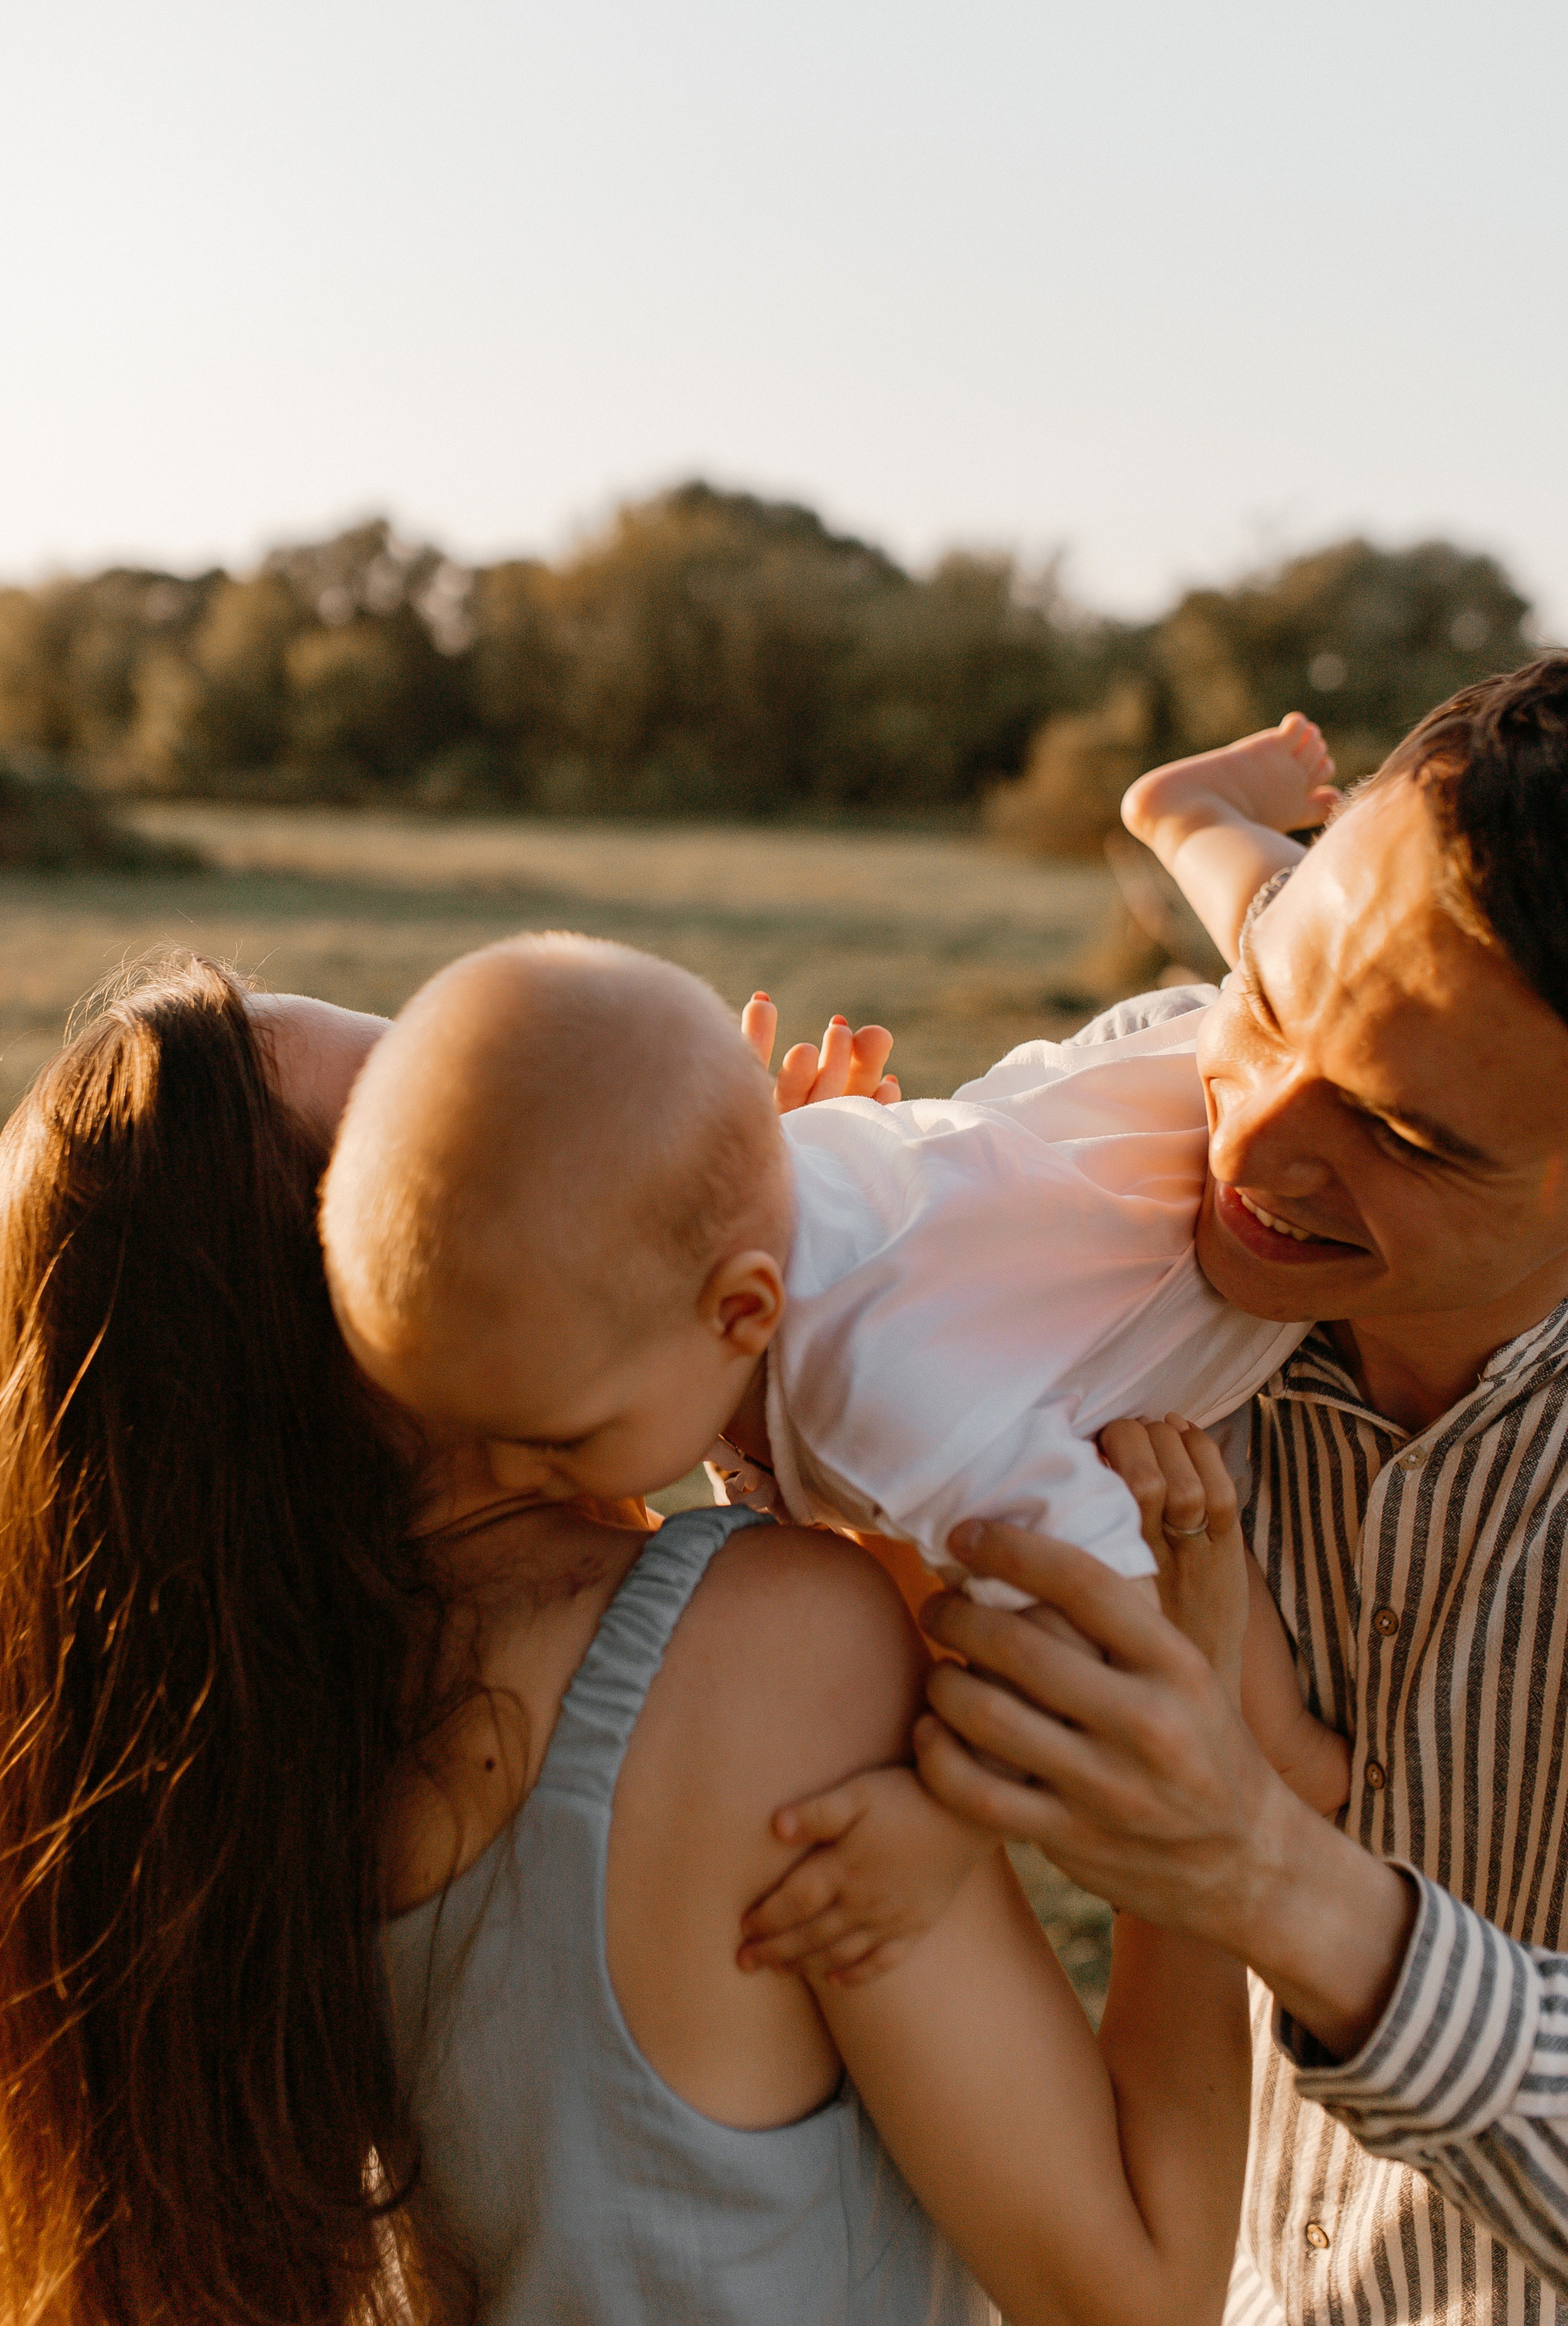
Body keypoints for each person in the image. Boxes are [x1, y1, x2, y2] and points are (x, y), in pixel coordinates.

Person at [0, 953, 1253, 2326]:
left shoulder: (221, 1763)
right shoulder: (766, 1657)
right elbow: (1139, 2289)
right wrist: (1200, 1766)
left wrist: (749, 1374)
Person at [319, 718, 1348, 1816]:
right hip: (1126, 1094)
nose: (527, 1476)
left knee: (1342, 993)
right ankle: (1196, 821)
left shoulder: (895, 1403)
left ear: (745, 1310)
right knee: (1308, 962)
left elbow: (1100, 1605)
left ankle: (1300, 1765)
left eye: (565, 1440)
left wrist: (937, 1813)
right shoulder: (709, 1224)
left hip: (1232, 1199)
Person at [909, 655, 1568, 2324]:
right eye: (1265, 1000)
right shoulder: (1132, 1259)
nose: (1252, 1148)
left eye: (1405, 1140)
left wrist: (1268, 1873)